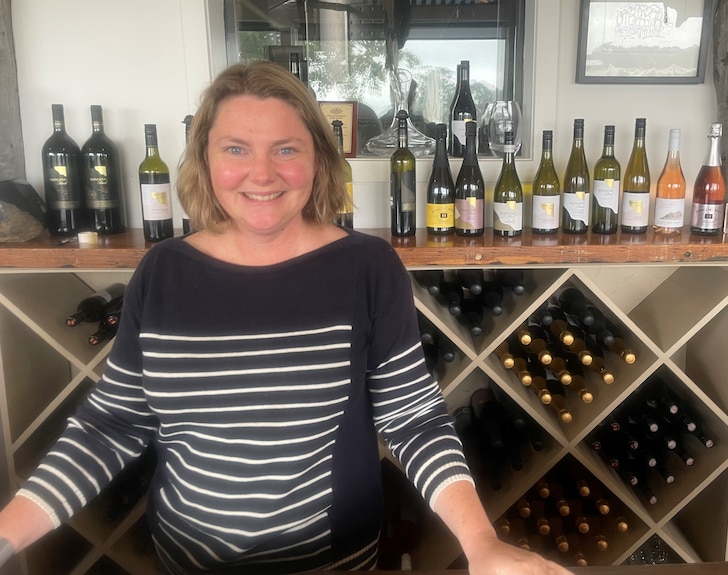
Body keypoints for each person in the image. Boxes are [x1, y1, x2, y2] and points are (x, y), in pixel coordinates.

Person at [0, 60, 572, 575]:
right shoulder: (163, 271)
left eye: (286, 148)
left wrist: (481, 544)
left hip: (333, 558)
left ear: (319, 159)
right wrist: (7, 535)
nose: (262, 173)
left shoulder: (367, 267)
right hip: (185, 556)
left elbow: (413, 419)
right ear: (204, 159)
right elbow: (112, 425)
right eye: (236, 149)